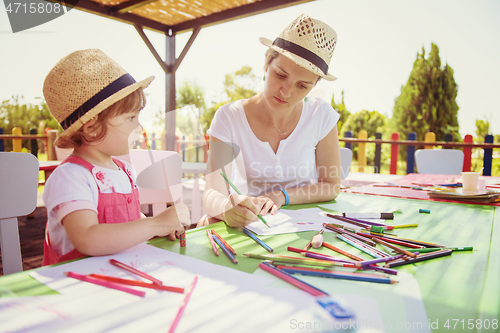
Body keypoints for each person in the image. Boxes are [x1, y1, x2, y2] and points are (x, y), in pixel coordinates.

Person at [42, 49, 190, 265]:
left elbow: (128, 219)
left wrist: (157, 227)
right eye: (131, 118)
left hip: (120, 273)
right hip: (76, 285)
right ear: (92, 128)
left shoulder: (124, 171)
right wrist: (156, 224)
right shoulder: (70, 177)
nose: (139, 126)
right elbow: (87, 238)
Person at [201, 14, 342, 228]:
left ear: (314, 85)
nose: (286, 92)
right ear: (267, 62)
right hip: (249, 224)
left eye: (302, 86)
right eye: (281, 75)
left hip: (304, 227)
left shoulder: (321, 114)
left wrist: (281, 196)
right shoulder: (228, 117)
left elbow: (331, 185)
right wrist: (225, 208)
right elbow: (213, 191)